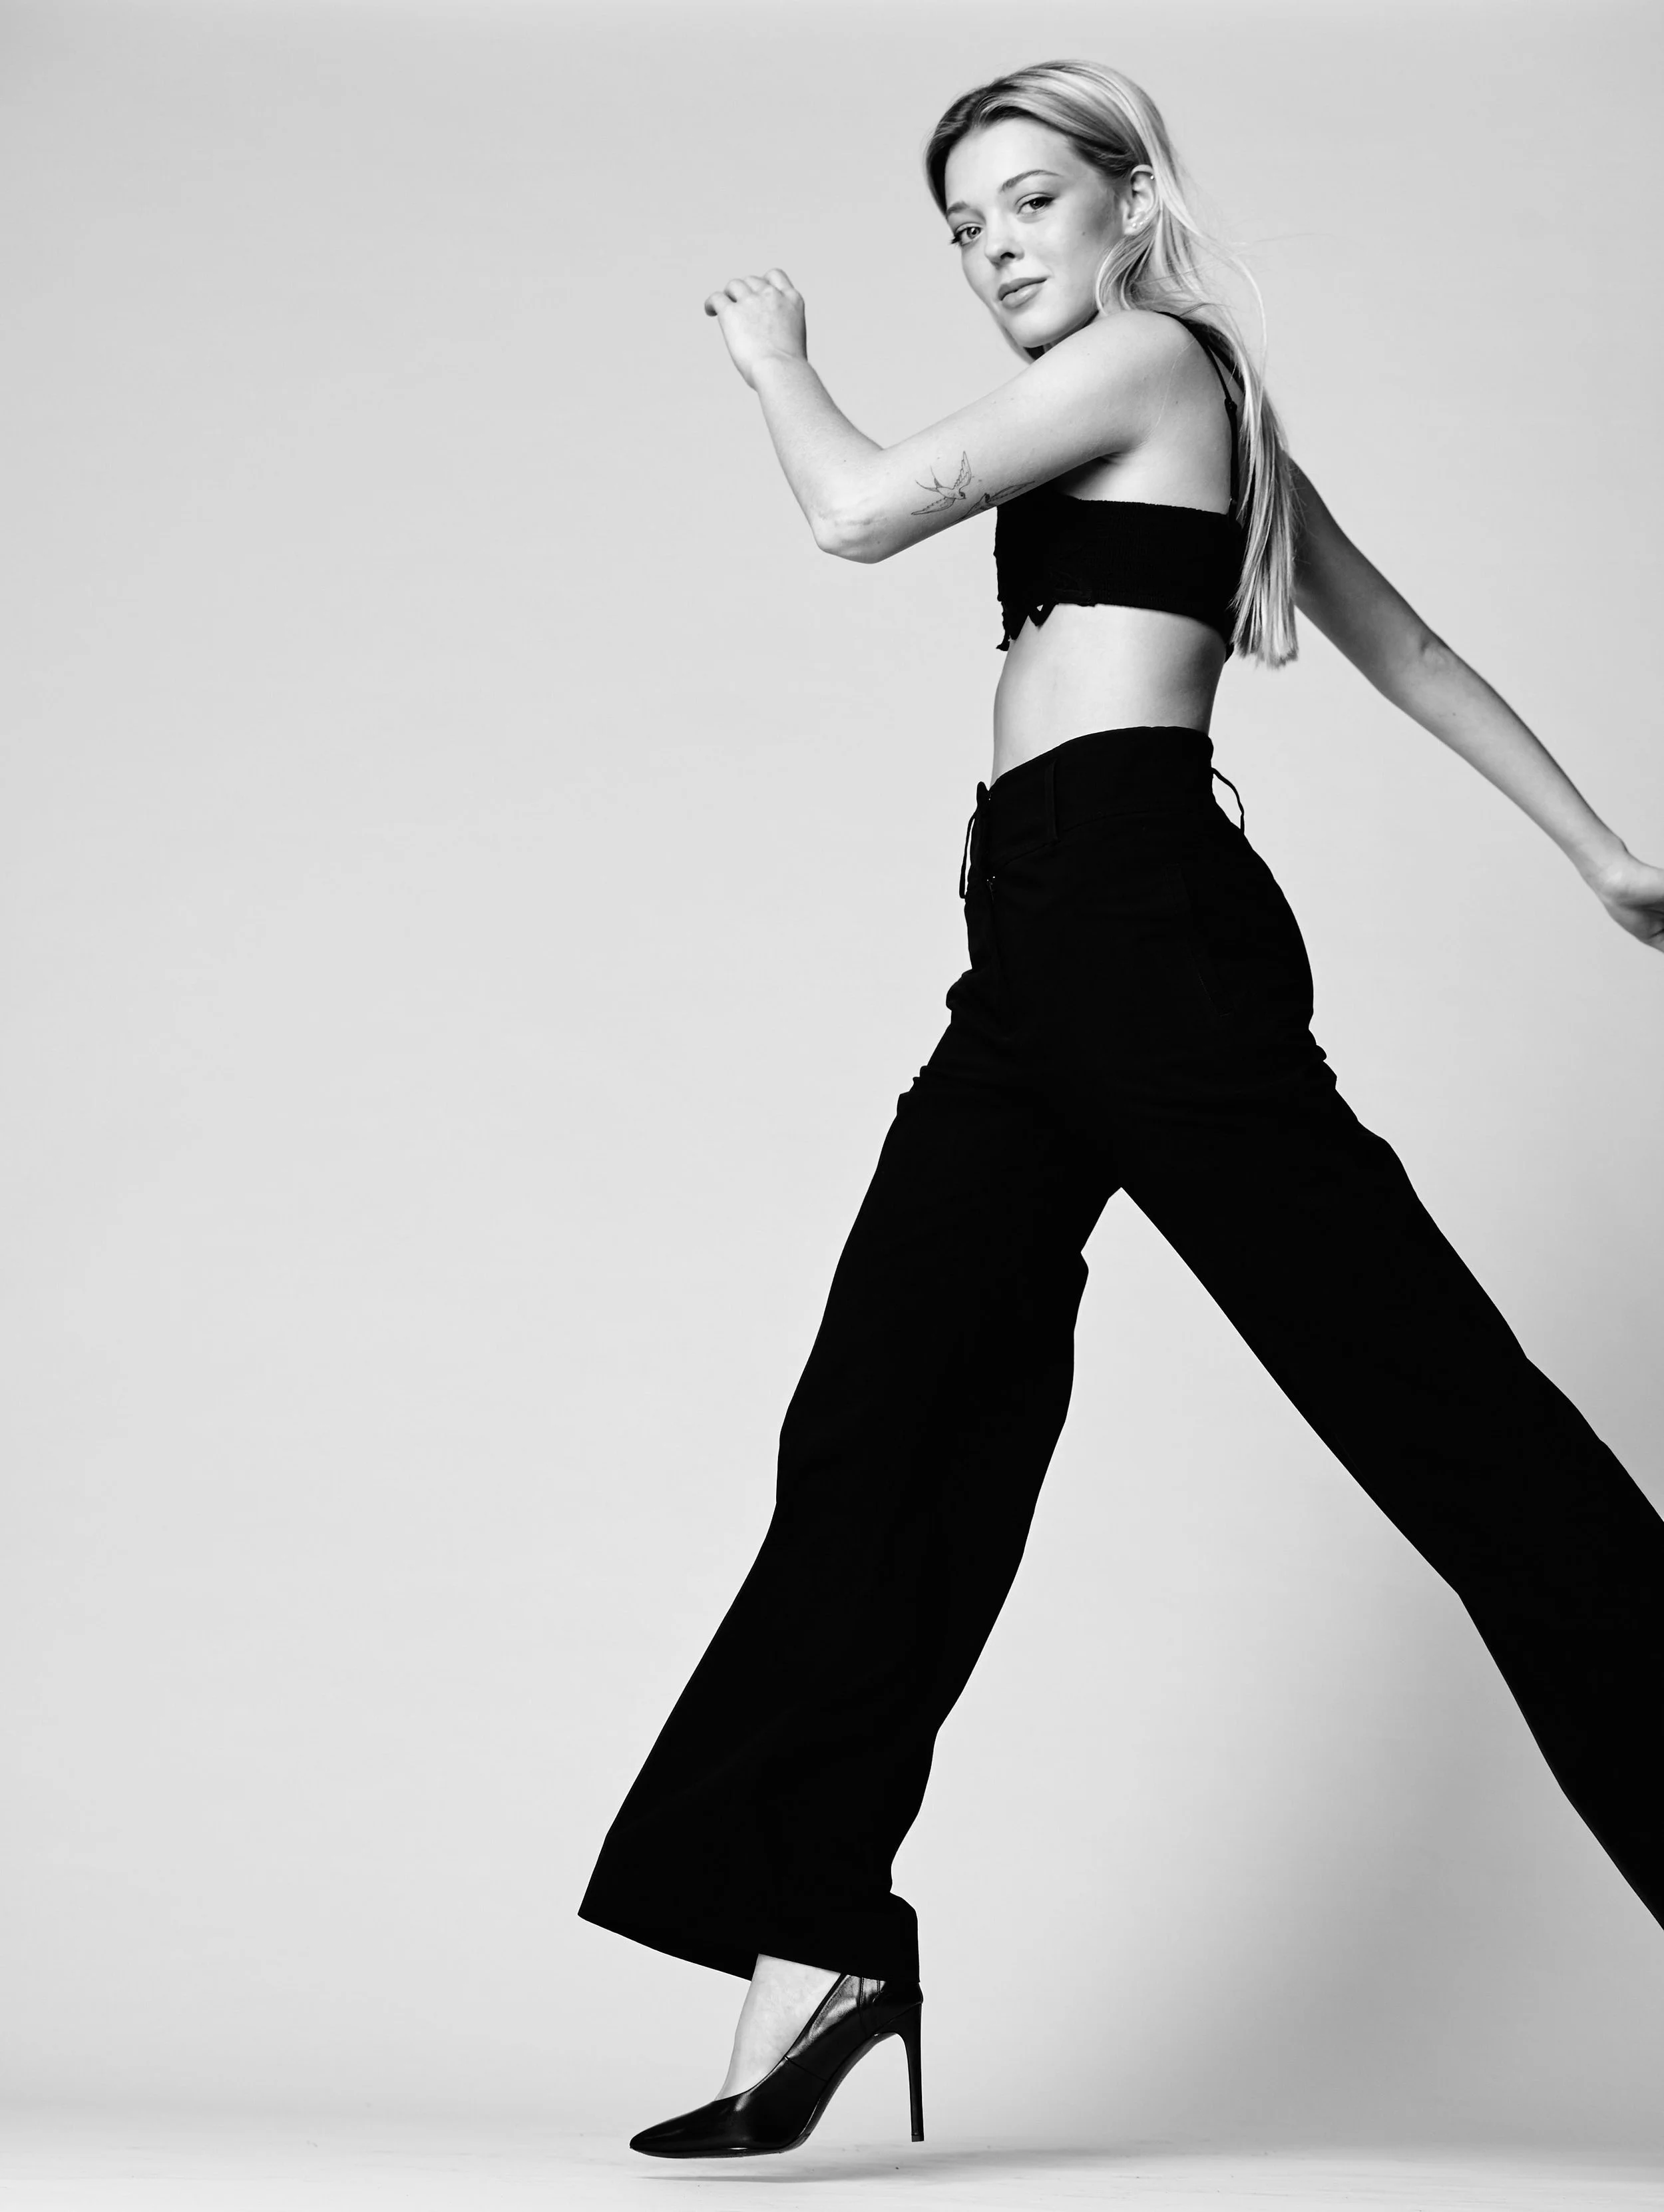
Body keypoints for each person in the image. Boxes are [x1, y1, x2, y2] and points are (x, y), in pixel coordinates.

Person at [577, 58, 1664, 2159]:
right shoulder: (1197, 411)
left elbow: (859, 507)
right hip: (1043, 953)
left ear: (1125, 200)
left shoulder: (1153, 357)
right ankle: (811, 1937)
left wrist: (777, 364)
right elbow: (1404, 643)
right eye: (960, 227)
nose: (991, 250)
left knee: (1449, 1426)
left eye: (1021, 203)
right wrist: (1603, 850)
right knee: (882, 1416)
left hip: (1145, 937)